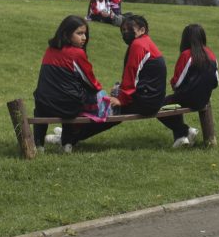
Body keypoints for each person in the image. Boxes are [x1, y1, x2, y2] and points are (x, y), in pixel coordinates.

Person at [63, 14, 168, 149]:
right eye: (123, 30)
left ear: (142, 30)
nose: (125, 33)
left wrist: (121, 99)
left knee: (109, 109)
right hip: (152, 98)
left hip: (146, 101)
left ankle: (71, 137)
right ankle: (73, 134)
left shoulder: (138, 44)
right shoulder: (146, 42)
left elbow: (132, 73)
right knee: (110, 106)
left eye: (129, 29)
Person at [32, 16, 118, 154]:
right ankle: (67, 144)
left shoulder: (50, 50)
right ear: (66, 34)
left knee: (42, 107)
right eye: (79, 33)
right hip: (68, 107)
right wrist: (101, 93)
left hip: (44, 103)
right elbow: (91, 82)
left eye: (85, 34)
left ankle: (39, 146)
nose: (84, 37)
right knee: (77, 99)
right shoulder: (76, 53)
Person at [160, 23, 219, 148]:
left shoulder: (187, 55)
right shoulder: (211, 54)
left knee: (159, 106)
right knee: (172, 103)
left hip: (187, 97)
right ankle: (182, 138)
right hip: (204, 98)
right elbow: (216, 82)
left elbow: (177, 82)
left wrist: (175, 86)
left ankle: (185, 132)